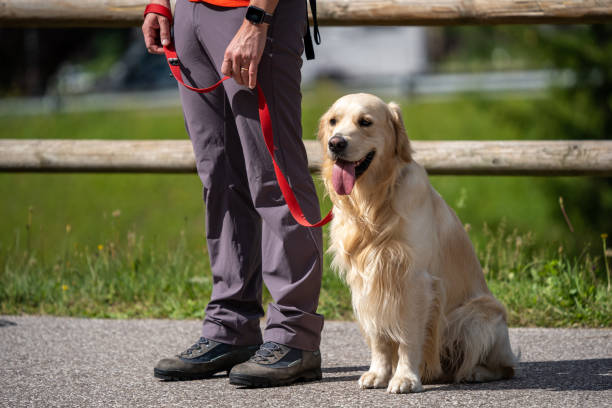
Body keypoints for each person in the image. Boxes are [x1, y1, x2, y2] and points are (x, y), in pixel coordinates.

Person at [142, 0, 324, 387]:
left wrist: (258, 18)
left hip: (252, 11)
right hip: (188, 13)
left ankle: (295, 336)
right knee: (218, 175)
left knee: (274, 172)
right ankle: (231, 327)